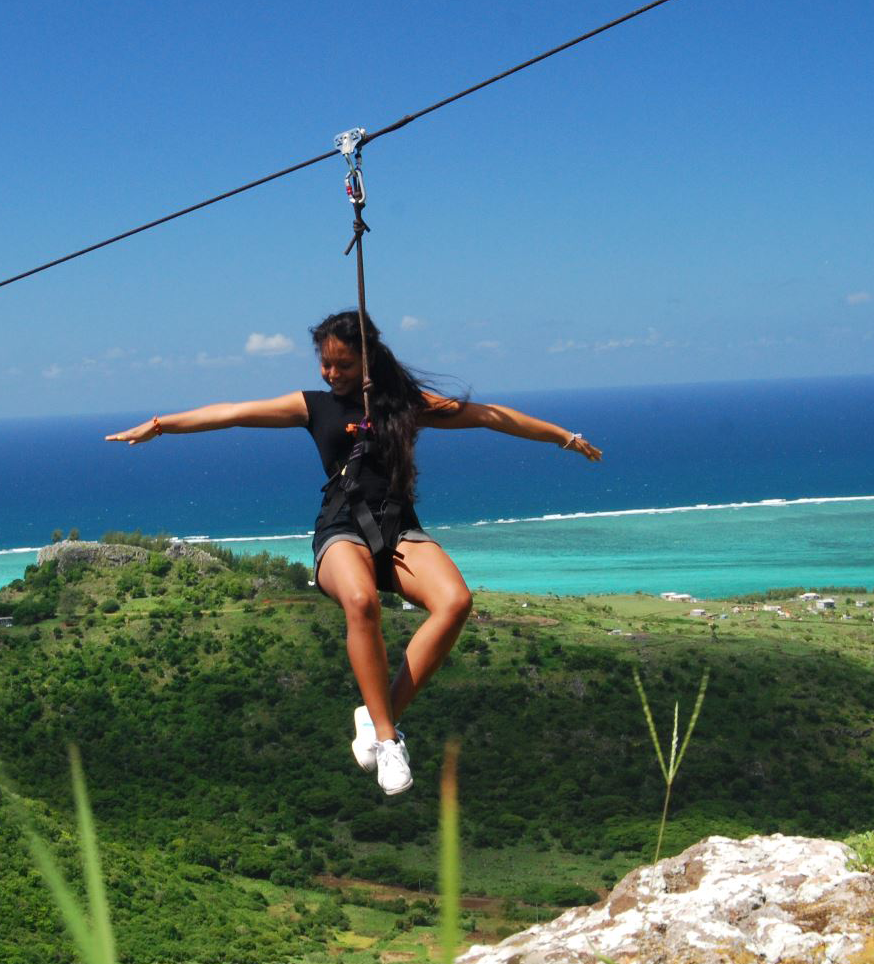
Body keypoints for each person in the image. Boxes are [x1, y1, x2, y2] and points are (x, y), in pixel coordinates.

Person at [107, 311, 602, 795]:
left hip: (398, 529)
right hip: (341, 529)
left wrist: (564, 437)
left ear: (368, 360)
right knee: (362, 602)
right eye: (325, 364)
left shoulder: (405, 405)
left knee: (455, 603)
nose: (331, 373)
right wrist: (161, 424)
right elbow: (234, 412)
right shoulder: (314, 406)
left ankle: (376, 712)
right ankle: (389, 740)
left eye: (343, 364)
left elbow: (491, 418)